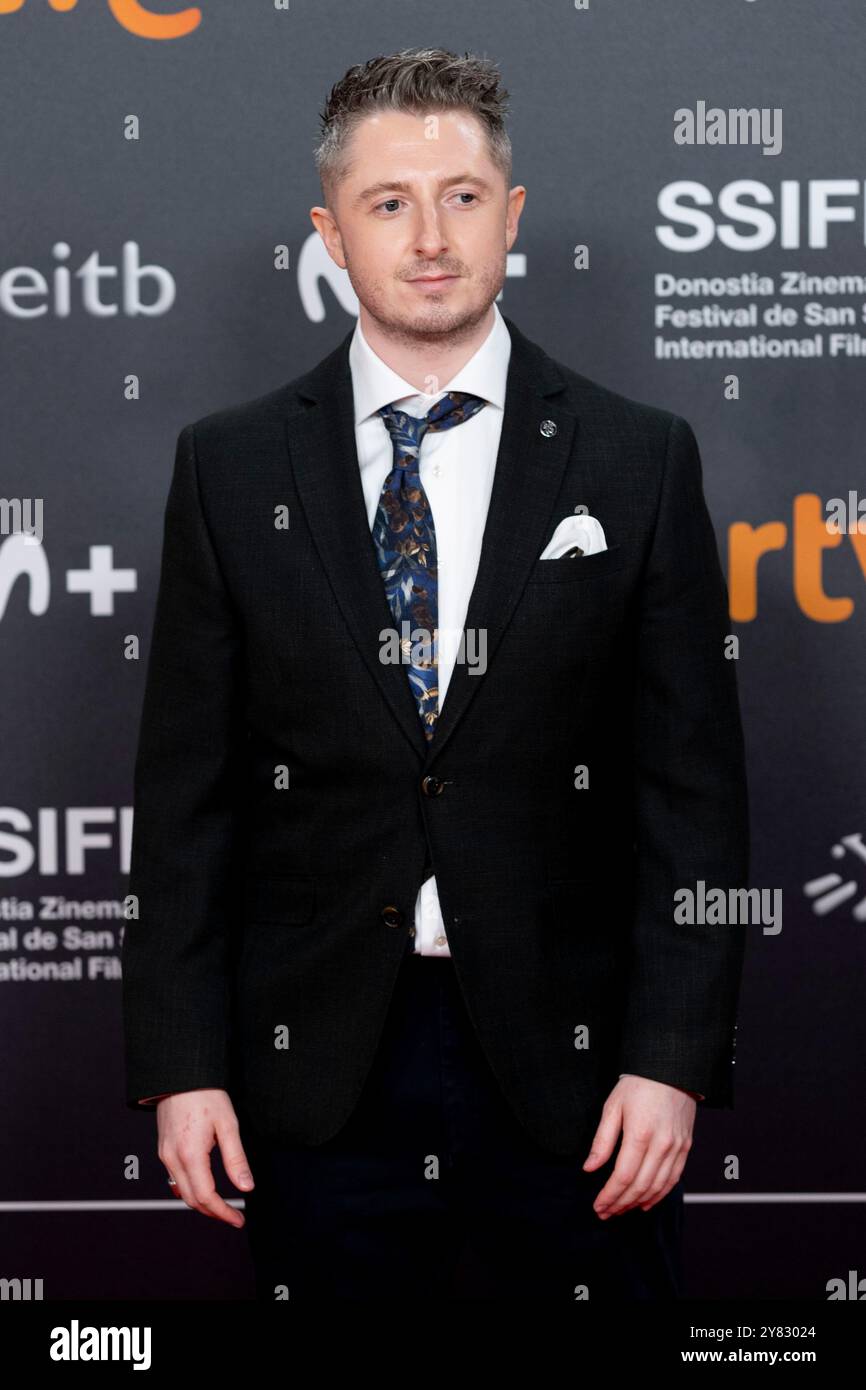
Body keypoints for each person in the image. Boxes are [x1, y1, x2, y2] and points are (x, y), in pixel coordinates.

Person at [122, 47, 749, 1301]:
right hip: (315, 1081)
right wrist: (182, 1064)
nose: (427, 237)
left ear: (509, 218)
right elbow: (187, 801)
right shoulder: (230, 470)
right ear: (330, 234)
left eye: (461, 197)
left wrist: (669, 1060)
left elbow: (692, 802)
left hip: (577, 1086)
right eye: (388, 202)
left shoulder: (636, 460)